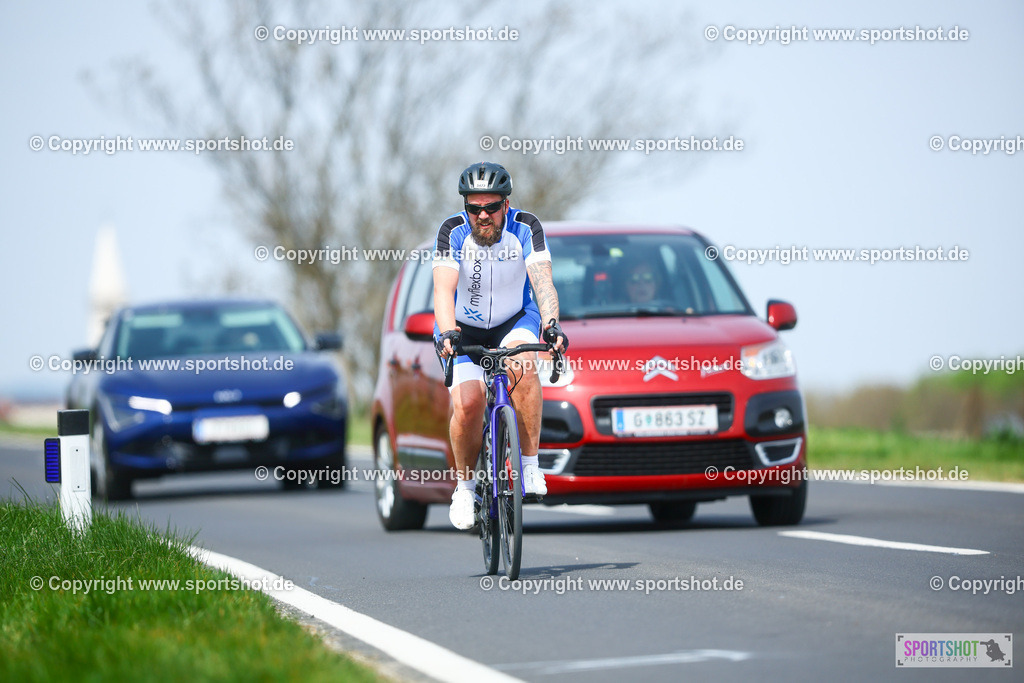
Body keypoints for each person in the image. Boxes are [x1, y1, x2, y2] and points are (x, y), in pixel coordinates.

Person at [433, 162, 568, 530]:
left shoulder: (526, 228)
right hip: (463, 327)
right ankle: (464, 488)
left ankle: (529, 467)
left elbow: (543, 284)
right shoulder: (452, 231)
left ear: (505, 205)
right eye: (474, 208)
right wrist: (447, 333)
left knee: (524, 366)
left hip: (514, 320)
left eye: (491, 207)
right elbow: (443, 289)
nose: (483, 216)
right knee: (469, 402)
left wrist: (551, 324)